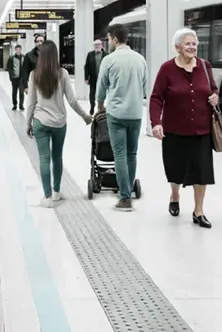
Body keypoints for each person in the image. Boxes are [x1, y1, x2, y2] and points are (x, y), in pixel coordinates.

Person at [149, 28, 220, 229]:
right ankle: (175, 193)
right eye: (187, 44)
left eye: (194, 44)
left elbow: (213, 89)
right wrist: (156, 122)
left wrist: (216, 96)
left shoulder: (205, 66)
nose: (192, 47)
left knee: (202, 171)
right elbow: (156, 97)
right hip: (175, 131)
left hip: (201, 130)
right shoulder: (167, 69)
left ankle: (198, 211)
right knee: (175, 170)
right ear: (177, 47)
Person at [26, 40, 92, 207]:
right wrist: (85, 116)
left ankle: (47, 197)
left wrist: (28, 123)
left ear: (41, 56)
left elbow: (31, 102)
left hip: (40, 121)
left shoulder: (34, 75)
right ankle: (56, 192)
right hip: (59, 123)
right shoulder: (62, 73)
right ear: (55, 55)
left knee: (44, 158)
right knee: (57, 157)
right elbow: (71, 100)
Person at [95, 23, 147, 212]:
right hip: (135, 113)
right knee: (131, 154)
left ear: (115, 39)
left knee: (119, 155)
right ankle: (127, 189)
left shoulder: (109, 60)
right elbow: (144, 86)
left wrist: (100, 107)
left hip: (116, 114)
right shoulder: (140, 59)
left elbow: (101, 89)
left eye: (108, 39)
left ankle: (125, 198)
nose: (108, 42)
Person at [83, 39, 106, 115]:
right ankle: (92, 106)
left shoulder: (106, 55)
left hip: (103, 78)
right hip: (93, 77)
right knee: (92, 93)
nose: (97, 46)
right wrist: (86, 78)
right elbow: (86, 67)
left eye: (98, 45)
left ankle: (101, 107)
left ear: (101, 45)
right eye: (95, 45)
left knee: (102, 93)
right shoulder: (90, 54)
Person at [6, 44, 25, 110]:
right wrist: (11, 76)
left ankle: (21, 105)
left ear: (21, 49)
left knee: (21, 92)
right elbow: (8, 67)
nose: (18, 51)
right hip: (14, 78)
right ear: (15, 50)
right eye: (17, 49)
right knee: (14, 92)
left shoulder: (24, 57)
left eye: (19, 49)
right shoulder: (11, 58)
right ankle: (14, 105)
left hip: (21, 78)